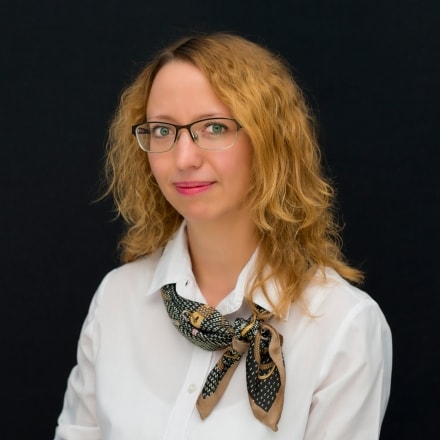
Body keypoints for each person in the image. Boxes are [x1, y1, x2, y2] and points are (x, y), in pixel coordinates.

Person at [54, 32, 392, 439]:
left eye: (214, 127)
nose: (183, 158)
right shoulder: (117, 298)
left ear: (270, 139)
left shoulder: (343, 326)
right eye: (162, 130)